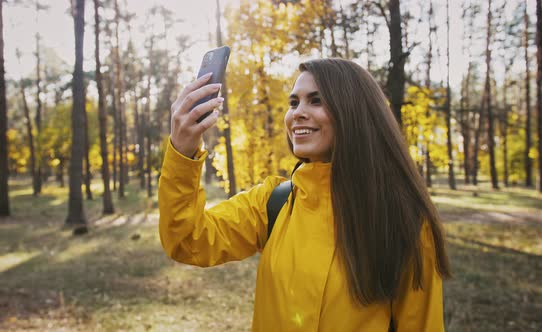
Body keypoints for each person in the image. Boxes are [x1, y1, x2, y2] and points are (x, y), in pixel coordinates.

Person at [158, 58, 451, 331]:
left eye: (316, 100)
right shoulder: (273, 202)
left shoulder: (405, 222)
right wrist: (183, 151)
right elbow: (188, 239)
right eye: (293, 102)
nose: (297, 113)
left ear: (354, 112)